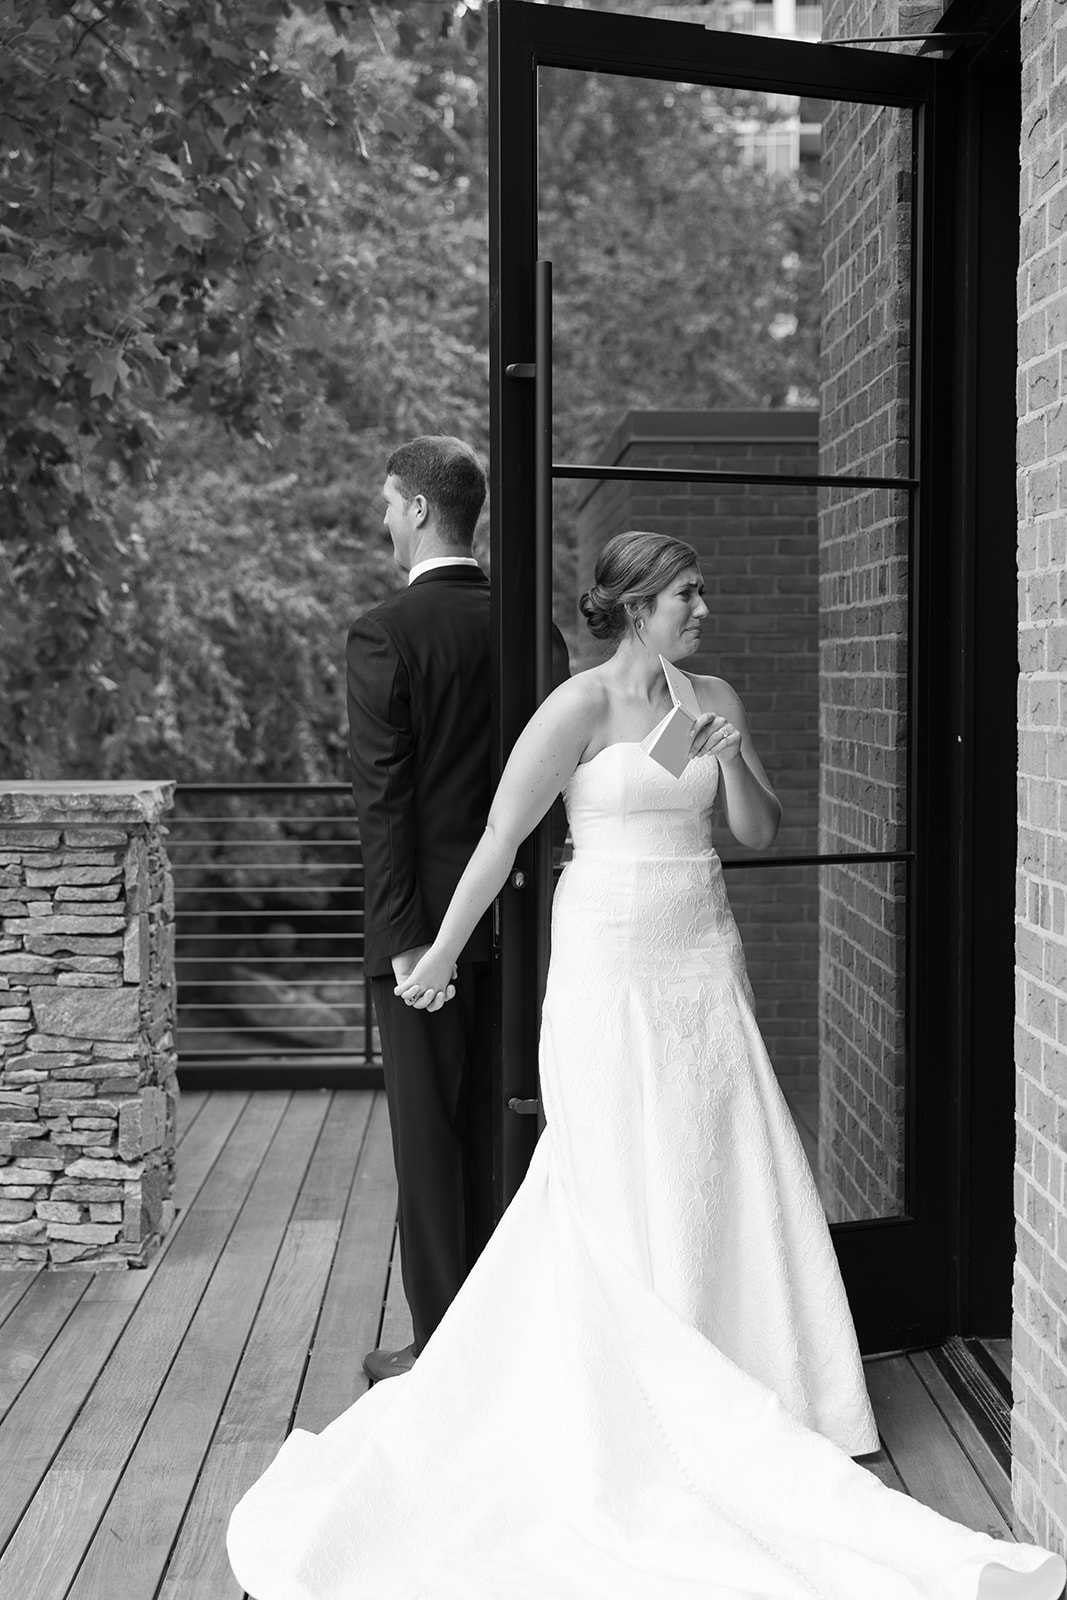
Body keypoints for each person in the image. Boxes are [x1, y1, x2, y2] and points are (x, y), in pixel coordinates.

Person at [229, 532, 1064, 1600]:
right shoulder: (575, 708)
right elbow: (499, 834)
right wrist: (437, 954)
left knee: (716, 1156)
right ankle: (632, 1399)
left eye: (703, 588)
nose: (702, 605)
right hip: (605, 971)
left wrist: (739, 749)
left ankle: (747, 1378)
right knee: (616, 1170)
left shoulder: (705, 693)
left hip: (700, 959)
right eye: (685, 593)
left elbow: (754, 828)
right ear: (630, 606)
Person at [346, 435, 496, 1380]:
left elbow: (382, 798)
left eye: (385, 503)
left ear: (413, 508)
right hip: (513, 927)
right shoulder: (531, 628)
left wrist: (408, 942)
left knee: (429, 1148)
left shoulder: (384, 631)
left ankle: (444, 1353)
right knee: (501, 1131)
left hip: (422, 936)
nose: (381, 519)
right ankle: (505, 1332)